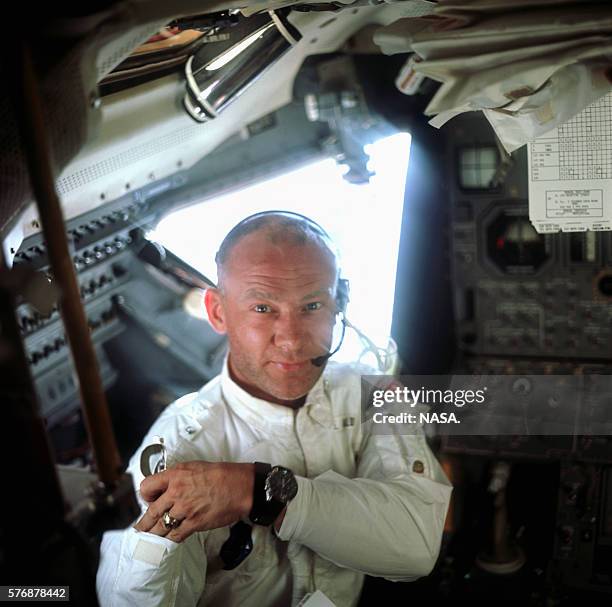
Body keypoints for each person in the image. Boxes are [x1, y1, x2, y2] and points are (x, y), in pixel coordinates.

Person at [96, 211, 453, 607]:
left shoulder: (371, 394)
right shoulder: (181, 446)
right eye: (263, 308)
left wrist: (257, 492)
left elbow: (415, 547)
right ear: (217, 312)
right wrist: (152, 545)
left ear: (340, 304)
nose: (292, 340)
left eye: (312, 305)